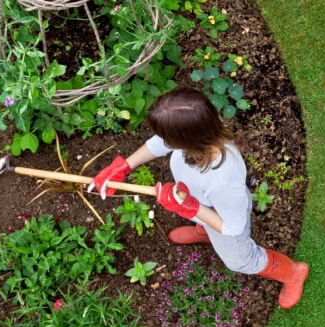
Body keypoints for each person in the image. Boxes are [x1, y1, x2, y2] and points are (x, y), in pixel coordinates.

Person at [88, 87, 309, 309]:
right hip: (204, 205)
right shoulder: (203, 127)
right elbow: (160, 143)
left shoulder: (223, 180)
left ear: (186, 140)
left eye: (168, 138)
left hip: (225, 221)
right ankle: (204, 232)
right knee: (205, 220)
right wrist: (124, 166)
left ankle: (293, 274)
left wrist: (190, 208)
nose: (163, 141)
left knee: (242, 261)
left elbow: (233, 226)